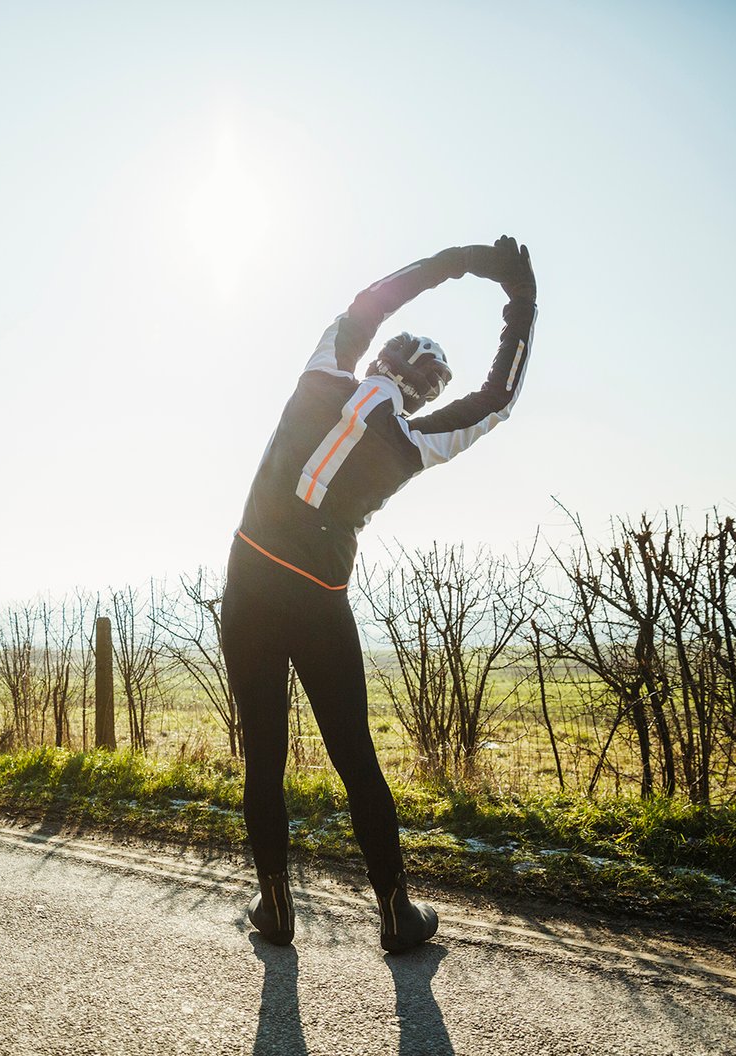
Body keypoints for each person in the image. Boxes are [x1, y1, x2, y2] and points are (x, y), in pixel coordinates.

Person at [221, 236, 537, 953]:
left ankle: (276, 907)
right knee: (354, 755)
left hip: (249, 581)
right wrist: (522, 305)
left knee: (264, 754)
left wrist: (468, 261)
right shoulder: (410, 442)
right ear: (425, 391)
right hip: (317, 600)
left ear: (378, 357)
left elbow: (377, 295)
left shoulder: (321, 372)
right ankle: (395, 912)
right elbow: (497, 401)